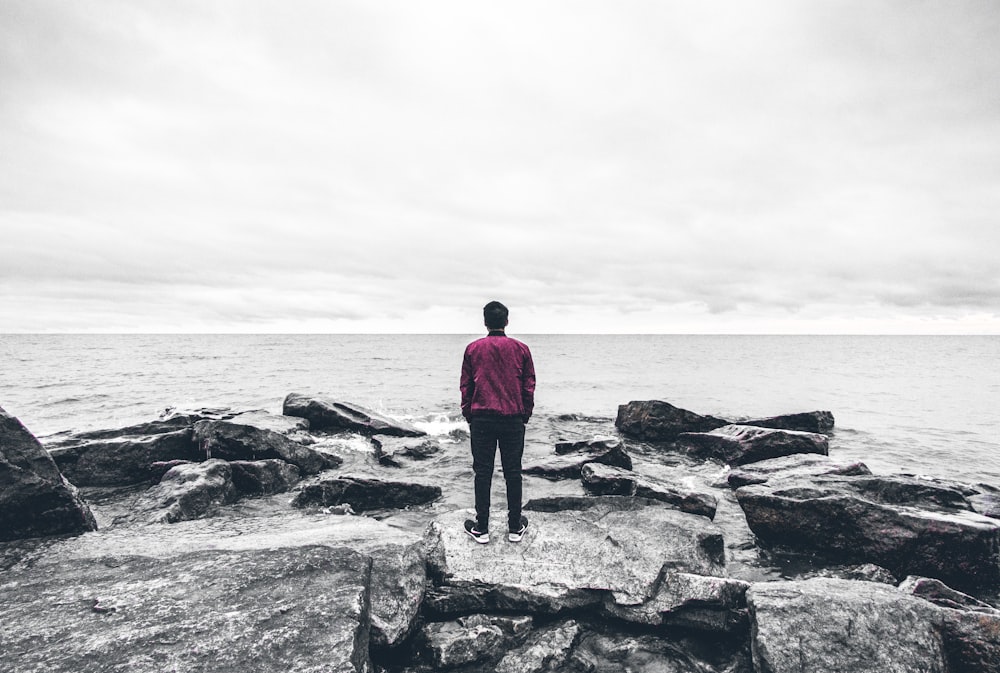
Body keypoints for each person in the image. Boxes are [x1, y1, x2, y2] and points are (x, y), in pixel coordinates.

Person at [460, 301, 536, 544]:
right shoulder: (521, 349)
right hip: (512, 418)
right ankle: (515, 527)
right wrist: (525, 413)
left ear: (484, 321)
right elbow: (529, 385)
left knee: (482, 473)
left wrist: (468, 412)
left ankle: (481, 527)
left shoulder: (473, 349)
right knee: (513, 473)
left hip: (482, 418)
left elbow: (466, 386)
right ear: (506, 321)